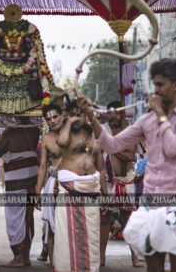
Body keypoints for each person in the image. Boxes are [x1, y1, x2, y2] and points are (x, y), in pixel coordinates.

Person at [88, 58, 176, 272]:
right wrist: (92, 119)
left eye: (160, 85)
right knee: (153, 266)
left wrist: (160, 115)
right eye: (155, 85)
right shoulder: (147, 120)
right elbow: (113, 145)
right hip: (151, 199)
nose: (155, 90)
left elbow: (173, 148)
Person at [52, 108, 106, 272]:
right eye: (73, 114)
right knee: (67, 235)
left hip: (91, 188)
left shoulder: (94, 137)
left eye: (80, 114)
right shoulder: (66, 134)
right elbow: (60, 143)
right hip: (70, 188)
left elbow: (100, 168)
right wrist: (68, 122)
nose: (77, 117)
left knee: (91, 235)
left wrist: (105, 195)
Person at [0, 123, 40, 267]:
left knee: (15, 215)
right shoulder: (34, 129)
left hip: (17, 174)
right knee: (27, 215)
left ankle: (18, 257)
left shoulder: (10, 130)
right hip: (31, 172)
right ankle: (25, 257)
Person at [102, 100, 142, 267]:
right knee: (104, 219)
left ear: (122, 114)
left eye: (117, 112)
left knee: (129, 219)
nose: (113, 117)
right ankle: (101, 257)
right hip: (108, 181)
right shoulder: (103, 130)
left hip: (127, 180)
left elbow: (130, 156)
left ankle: (135, 257)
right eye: (110, 113)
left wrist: (110, 145)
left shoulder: (130, 130)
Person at [34, 104, 65, 265]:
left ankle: (67, 262)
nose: (52, 121)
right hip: (52, 184)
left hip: (71, 184)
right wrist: (38, 192)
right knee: (52, 227)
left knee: (68, 225)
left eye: (54, 117)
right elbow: (43, 166)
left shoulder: (74, 133)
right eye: (48, 119)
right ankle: (54, 264)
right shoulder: (46, 138)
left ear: (62, 115)